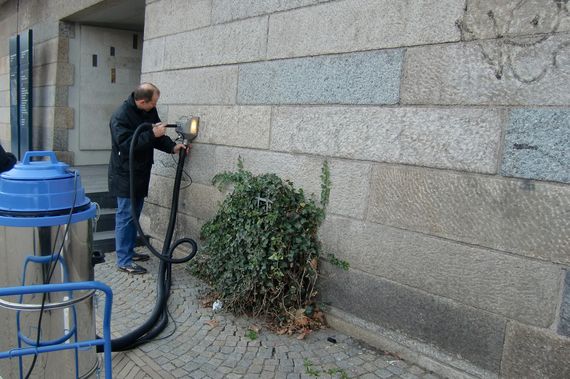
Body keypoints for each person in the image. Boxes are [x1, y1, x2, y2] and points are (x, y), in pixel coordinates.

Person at [108, 83, 187, 274]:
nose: (155, 106)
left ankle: (129, 250)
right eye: (153, 103)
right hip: (125, 173)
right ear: (142, 101)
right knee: (126, 215)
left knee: (135, 212)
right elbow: (127, 146)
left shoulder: (148, 110)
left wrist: (172, 147)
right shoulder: (120, 116)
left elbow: (158, 136)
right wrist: (151, 133)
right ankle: (123, 260)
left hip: (141, 171)